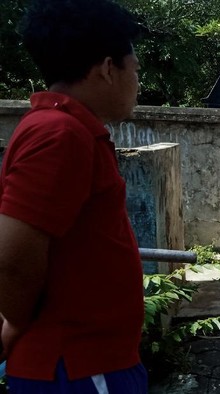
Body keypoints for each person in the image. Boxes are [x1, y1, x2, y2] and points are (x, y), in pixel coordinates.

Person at [0, 0, 147, 392]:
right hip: (78, 366)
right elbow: (12, 259)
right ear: (107, 69)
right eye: (135, 69)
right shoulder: (60, 135)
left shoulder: (68, 130)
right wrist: (15, 322)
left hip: (87, 364)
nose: (138, 81)